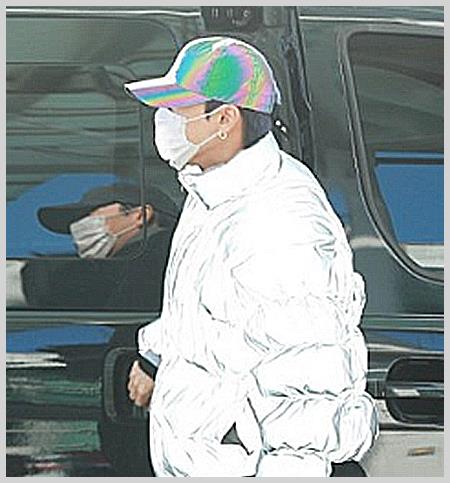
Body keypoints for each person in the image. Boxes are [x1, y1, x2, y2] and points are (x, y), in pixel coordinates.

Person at [125, 36, 378, 477]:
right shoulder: (214, 190)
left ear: (225, 118)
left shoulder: (277, 219)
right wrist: (156, 356)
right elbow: (207, 310)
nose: (163, 121)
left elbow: (306, 378)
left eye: (177, 109)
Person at [20, 182, 179, 310]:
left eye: (89, 216)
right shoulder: (165, 256)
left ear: (140, 215)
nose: (77, 230)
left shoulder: (150, 263)